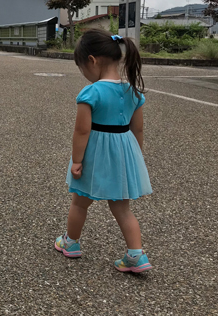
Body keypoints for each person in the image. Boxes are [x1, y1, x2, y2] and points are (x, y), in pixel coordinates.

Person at [55, 29, 153, 273]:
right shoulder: (133, 91)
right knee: (122, 208)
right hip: (122, 153)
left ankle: (71, 243)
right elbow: (138, 130)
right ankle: (136, 255)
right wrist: (135, 156)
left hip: (94, 155)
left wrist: (77, 161)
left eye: (82, 68)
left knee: (79, 203)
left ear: (92, 61)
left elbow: (81, 132)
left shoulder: (91, 92)